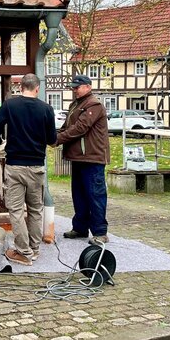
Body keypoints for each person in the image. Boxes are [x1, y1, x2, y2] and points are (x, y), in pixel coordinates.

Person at [0, 73, 57, 266]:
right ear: (37, 89)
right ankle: (34, 250)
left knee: (16, 210)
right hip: (36, 167)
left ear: (20, 87)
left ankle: (23, 252)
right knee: (35, 209)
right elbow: (52, 140)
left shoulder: (10, 105)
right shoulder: (46, 109)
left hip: (15, 165)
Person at [55, 75, 111, 246]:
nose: (74, 90)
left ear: (88, 87)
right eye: (73, 87)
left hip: (92, 158)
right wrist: (55, 135)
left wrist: (57, 139)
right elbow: (67, 126)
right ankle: (80, 228)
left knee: (95, 195)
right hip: (78, 157)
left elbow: (80, 128)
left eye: (77, 87)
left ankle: (100, 232)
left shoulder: (94, 104)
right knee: (79, 195)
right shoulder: (76, 105)